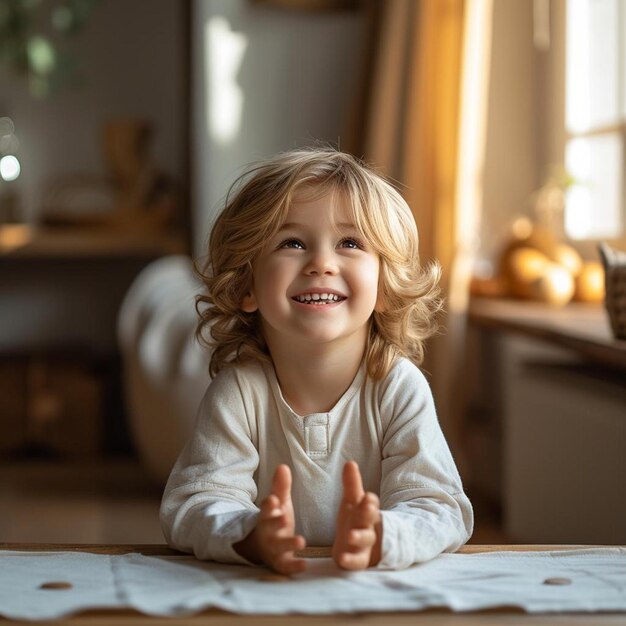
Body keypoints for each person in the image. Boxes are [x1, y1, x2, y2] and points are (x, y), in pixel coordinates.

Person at [160, 147, 473, 573]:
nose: (321, 263)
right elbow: (193, 503)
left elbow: (439, 507)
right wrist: (248, 533)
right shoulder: (240, 392)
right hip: (266, 597)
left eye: (350, 243)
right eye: (292, 242)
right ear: (246, 284)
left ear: (384, 284)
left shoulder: (398, 387)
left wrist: (384, 534)